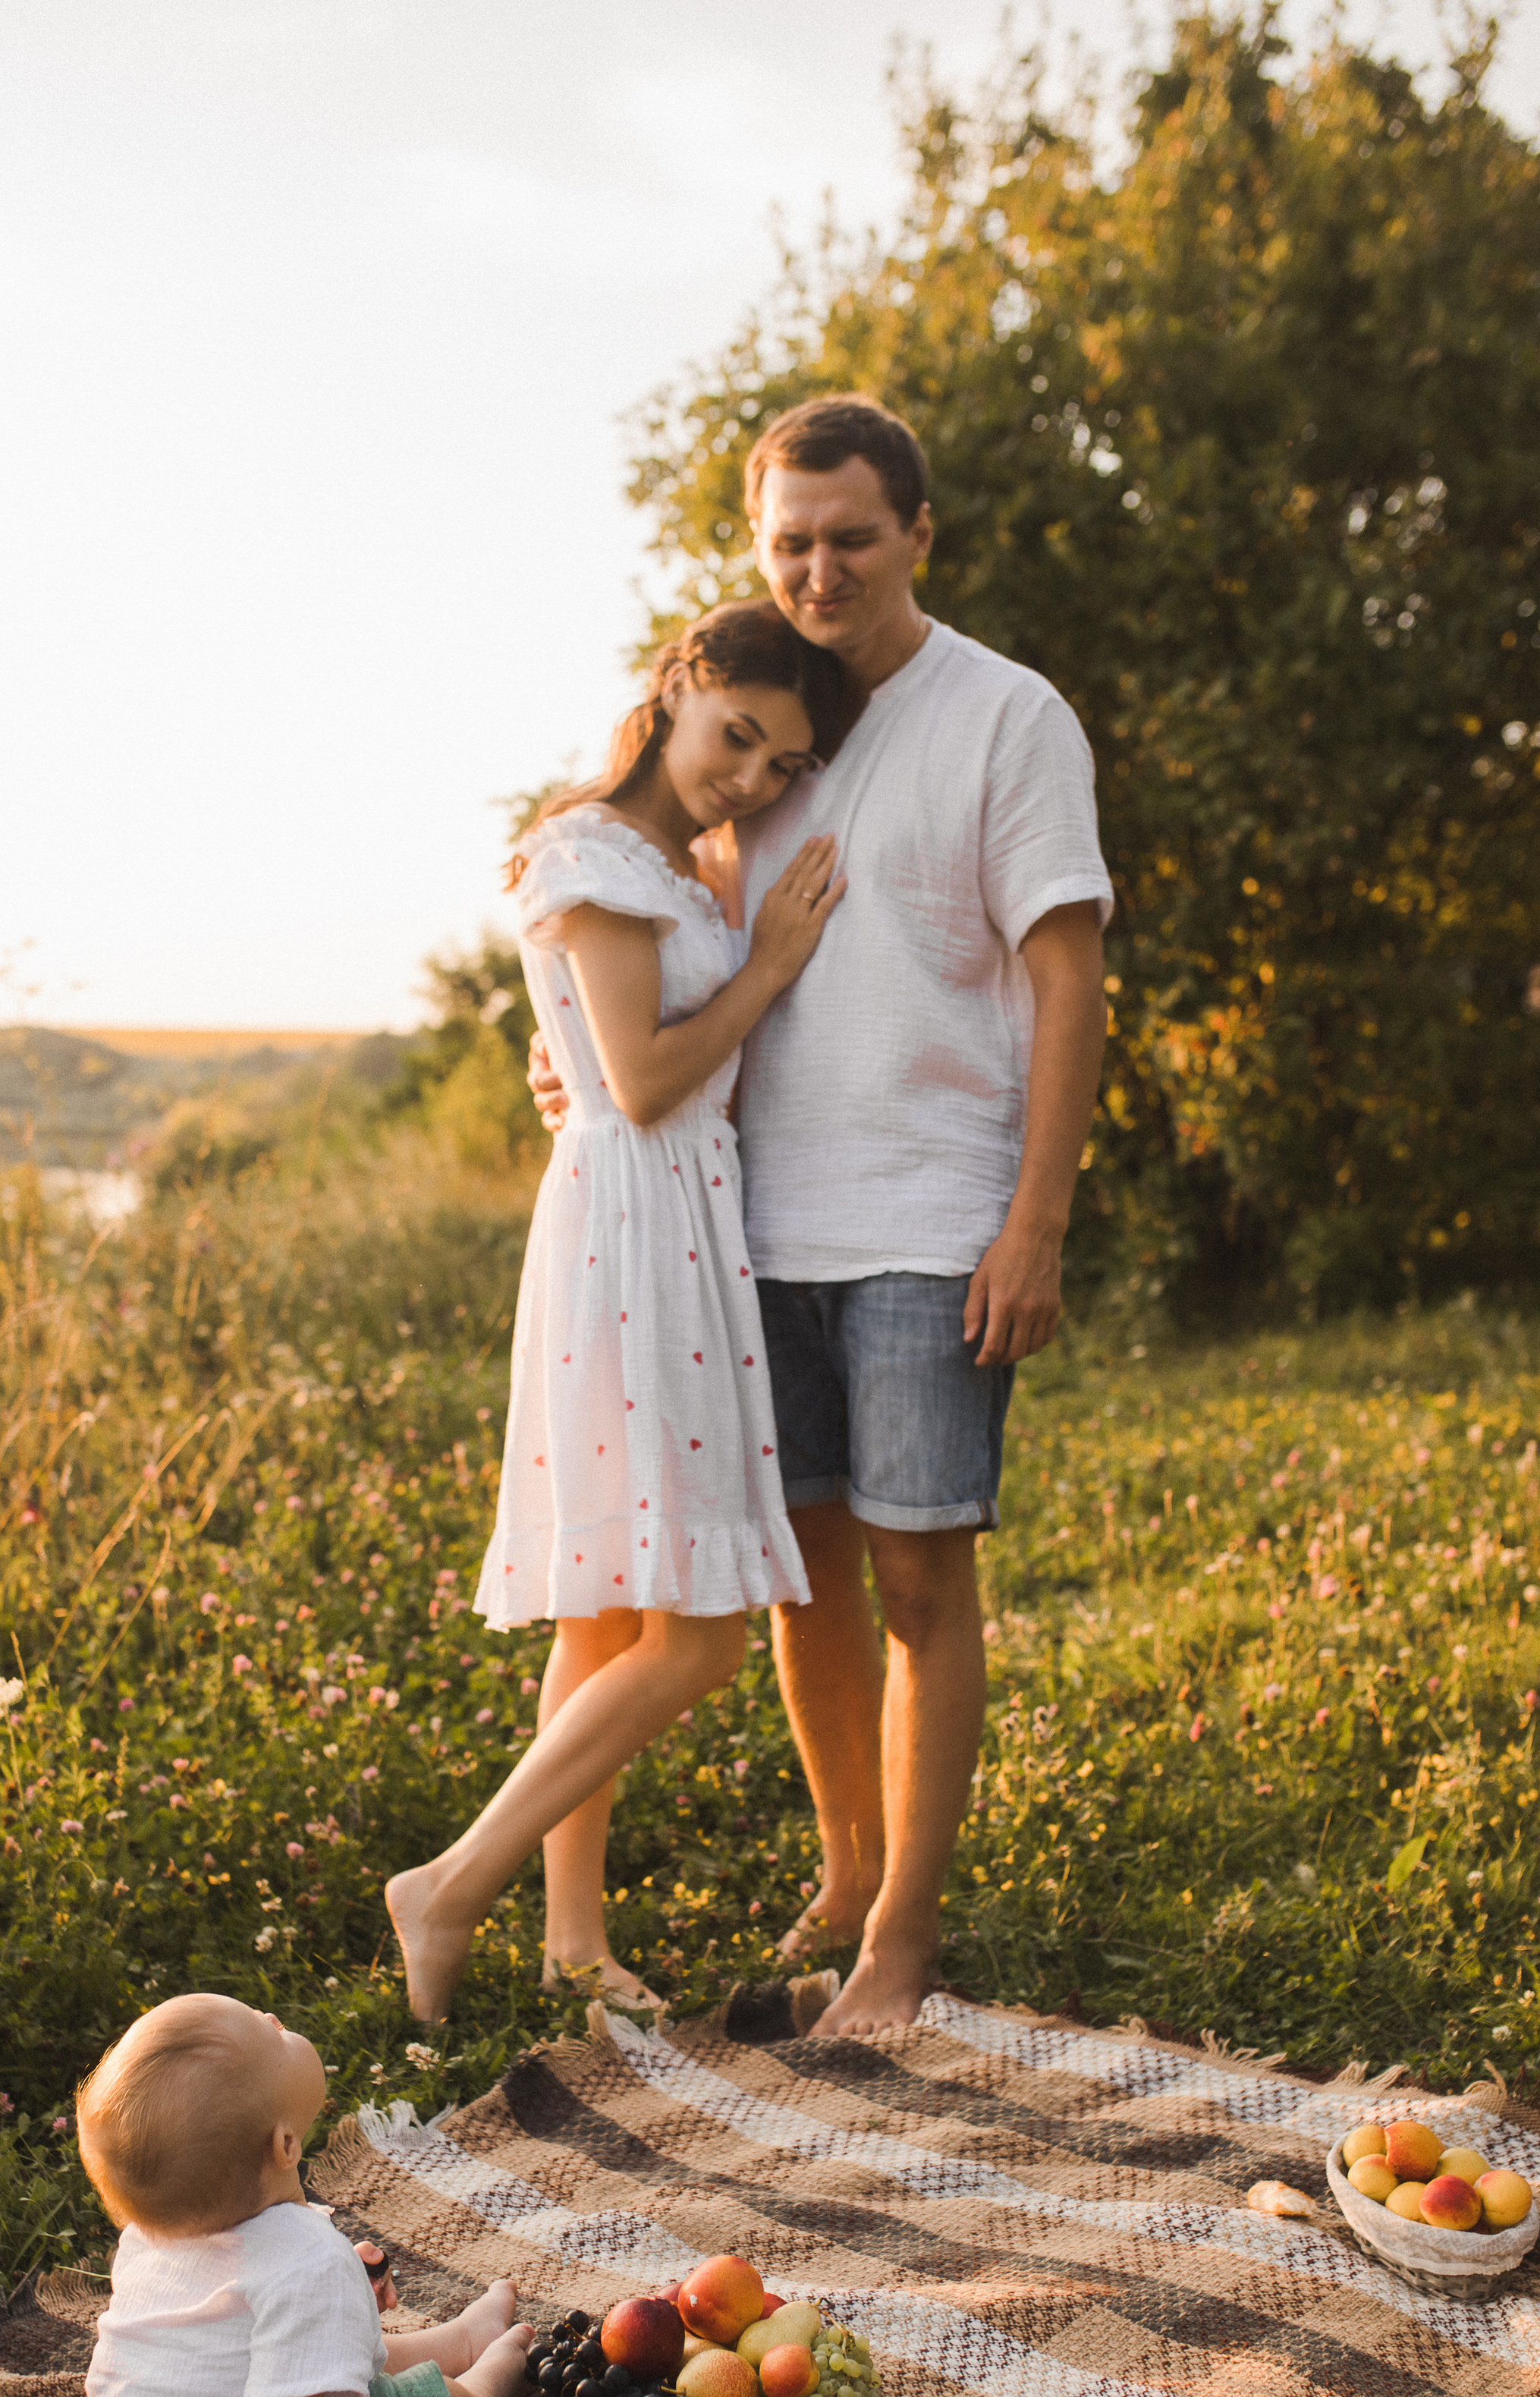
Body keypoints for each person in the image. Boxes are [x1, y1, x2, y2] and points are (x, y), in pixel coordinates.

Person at [533, 395, 1112, 2039]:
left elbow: (1068, 976)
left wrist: (1035, 1223)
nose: (819, 568)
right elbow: (642, 934)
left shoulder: (1006, 716)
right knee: (805, 1588)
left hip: (931, 1220)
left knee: (923, 1589)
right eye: (789, 540)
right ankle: (849, 1874)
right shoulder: (762, 730)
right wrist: (563, 1056)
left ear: (917, 532)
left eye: (851, 536)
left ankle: (901, 1947)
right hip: (744, 1230)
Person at [386, 601, 863, 2024]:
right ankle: (451, 1885)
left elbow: (620, 1062)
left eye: (783, 765)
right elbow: (644, 1082)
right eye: (739, 736)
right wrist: (771, 964)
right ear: (680, 688)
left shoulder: (676, 867)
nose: (751, 779)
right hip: (638, 1231)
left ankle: (574, 1943)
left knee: (602, 1621)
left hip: (670, 1218)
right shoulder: (592, 853)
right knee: (699, 1636)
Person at [72, 1993, 533, 2397]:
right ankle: (494, 2381)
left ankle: (463, 2340)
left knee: (313, 2362)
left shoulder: (150, 2236)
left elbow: (241, 2330)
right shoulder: (306, 2263)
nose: (273, 2018)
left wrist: (342, 2294)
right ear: (286, 2146)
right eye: (271, 2035)